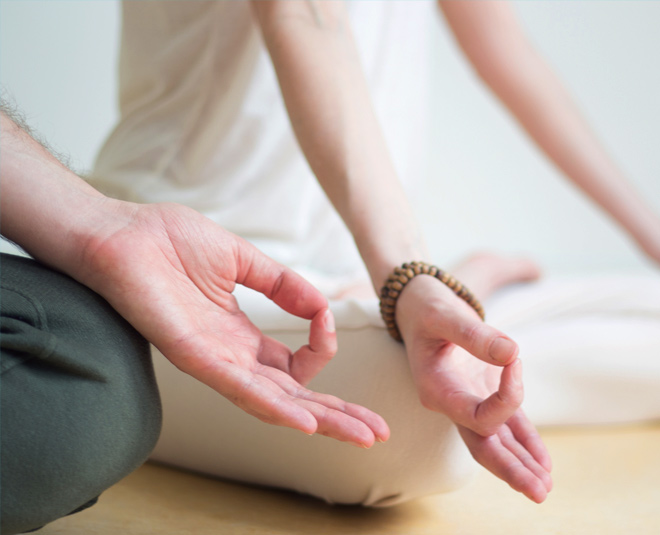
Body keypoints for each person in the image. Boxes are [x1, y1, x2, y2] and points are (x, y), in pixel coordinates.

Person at [2, 0, 659, 531]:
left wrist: (649, 233)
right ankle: (465, 295)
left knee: (481, 373)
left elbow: (509, 53)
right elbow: (304, 14)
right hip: (195, 268)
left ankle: (459, 301)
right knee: (415, 421)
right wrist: (410, 274)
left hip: (366, 267)